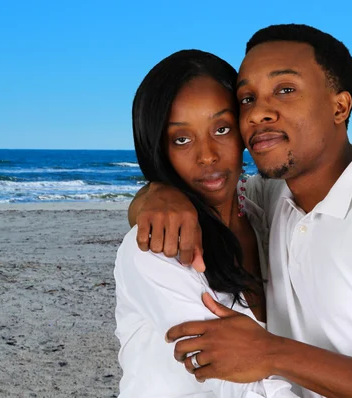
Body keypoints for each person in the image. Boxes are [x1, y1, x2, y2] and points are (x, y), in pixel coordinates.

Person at [129, 24, 352, 397]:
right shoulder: (274, 199)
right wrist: (158, 192)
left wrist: (273, 353)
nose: (258, 113)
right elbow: (212, 190)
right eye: (247, 99)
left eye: (285, 90)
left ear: (339, 105)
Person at [114, 49, 297, 397]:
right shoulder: (155, 251)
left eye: (222, 128)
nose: (208, 155)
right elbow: (241, 382)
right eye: (181, 139)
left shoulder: (264, 216)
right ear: (158, 147)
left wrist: (153, 192)